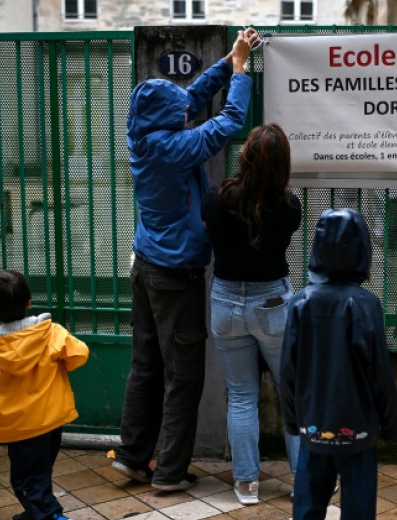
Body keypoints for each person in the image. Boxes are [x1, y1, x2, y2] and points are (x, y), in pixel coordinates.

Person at [112, 28, 260, 492]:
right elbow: (229, 121)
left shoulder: (144, 133)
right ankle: (170, 472)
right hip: (176, 275)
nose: (186, 111)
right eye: (178, 110)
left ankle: (132, 456)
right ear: (168, 117)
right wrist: (241, 73)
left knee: (147, 365)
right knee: (183, 375)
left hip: (146, 267)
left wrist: (228, 60)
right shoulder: (173, 148)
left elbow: (191, 99)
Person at [281, 209, 397, 520]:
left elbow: (288, 370)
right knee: (358, 511)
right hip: (358, 429)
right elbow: (380, 373)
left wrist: (293, 420)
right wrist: (391, 425)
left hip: (314, 426)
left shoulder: (300, 303)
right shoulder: (366, 304)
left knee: (307, 508)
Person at [201, 123, 302, 505]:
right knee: (291, 393)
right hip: (272, 304)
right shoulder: (289, 207)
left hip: (226, 303)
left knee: (241, 395)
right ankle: (305, 481)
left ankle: (246, 484)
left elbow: (209, 231)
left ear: (244, 156)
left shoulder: (217, 199)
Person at [0, 269, 89, 520]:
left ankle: (53, 519)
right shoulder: (51, 333)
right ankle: (34, 512)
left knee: (24, 477)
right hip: (52, 417)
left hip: (20, 426)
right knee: (41, 469)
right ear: (29, 302)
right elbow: (80, 354)